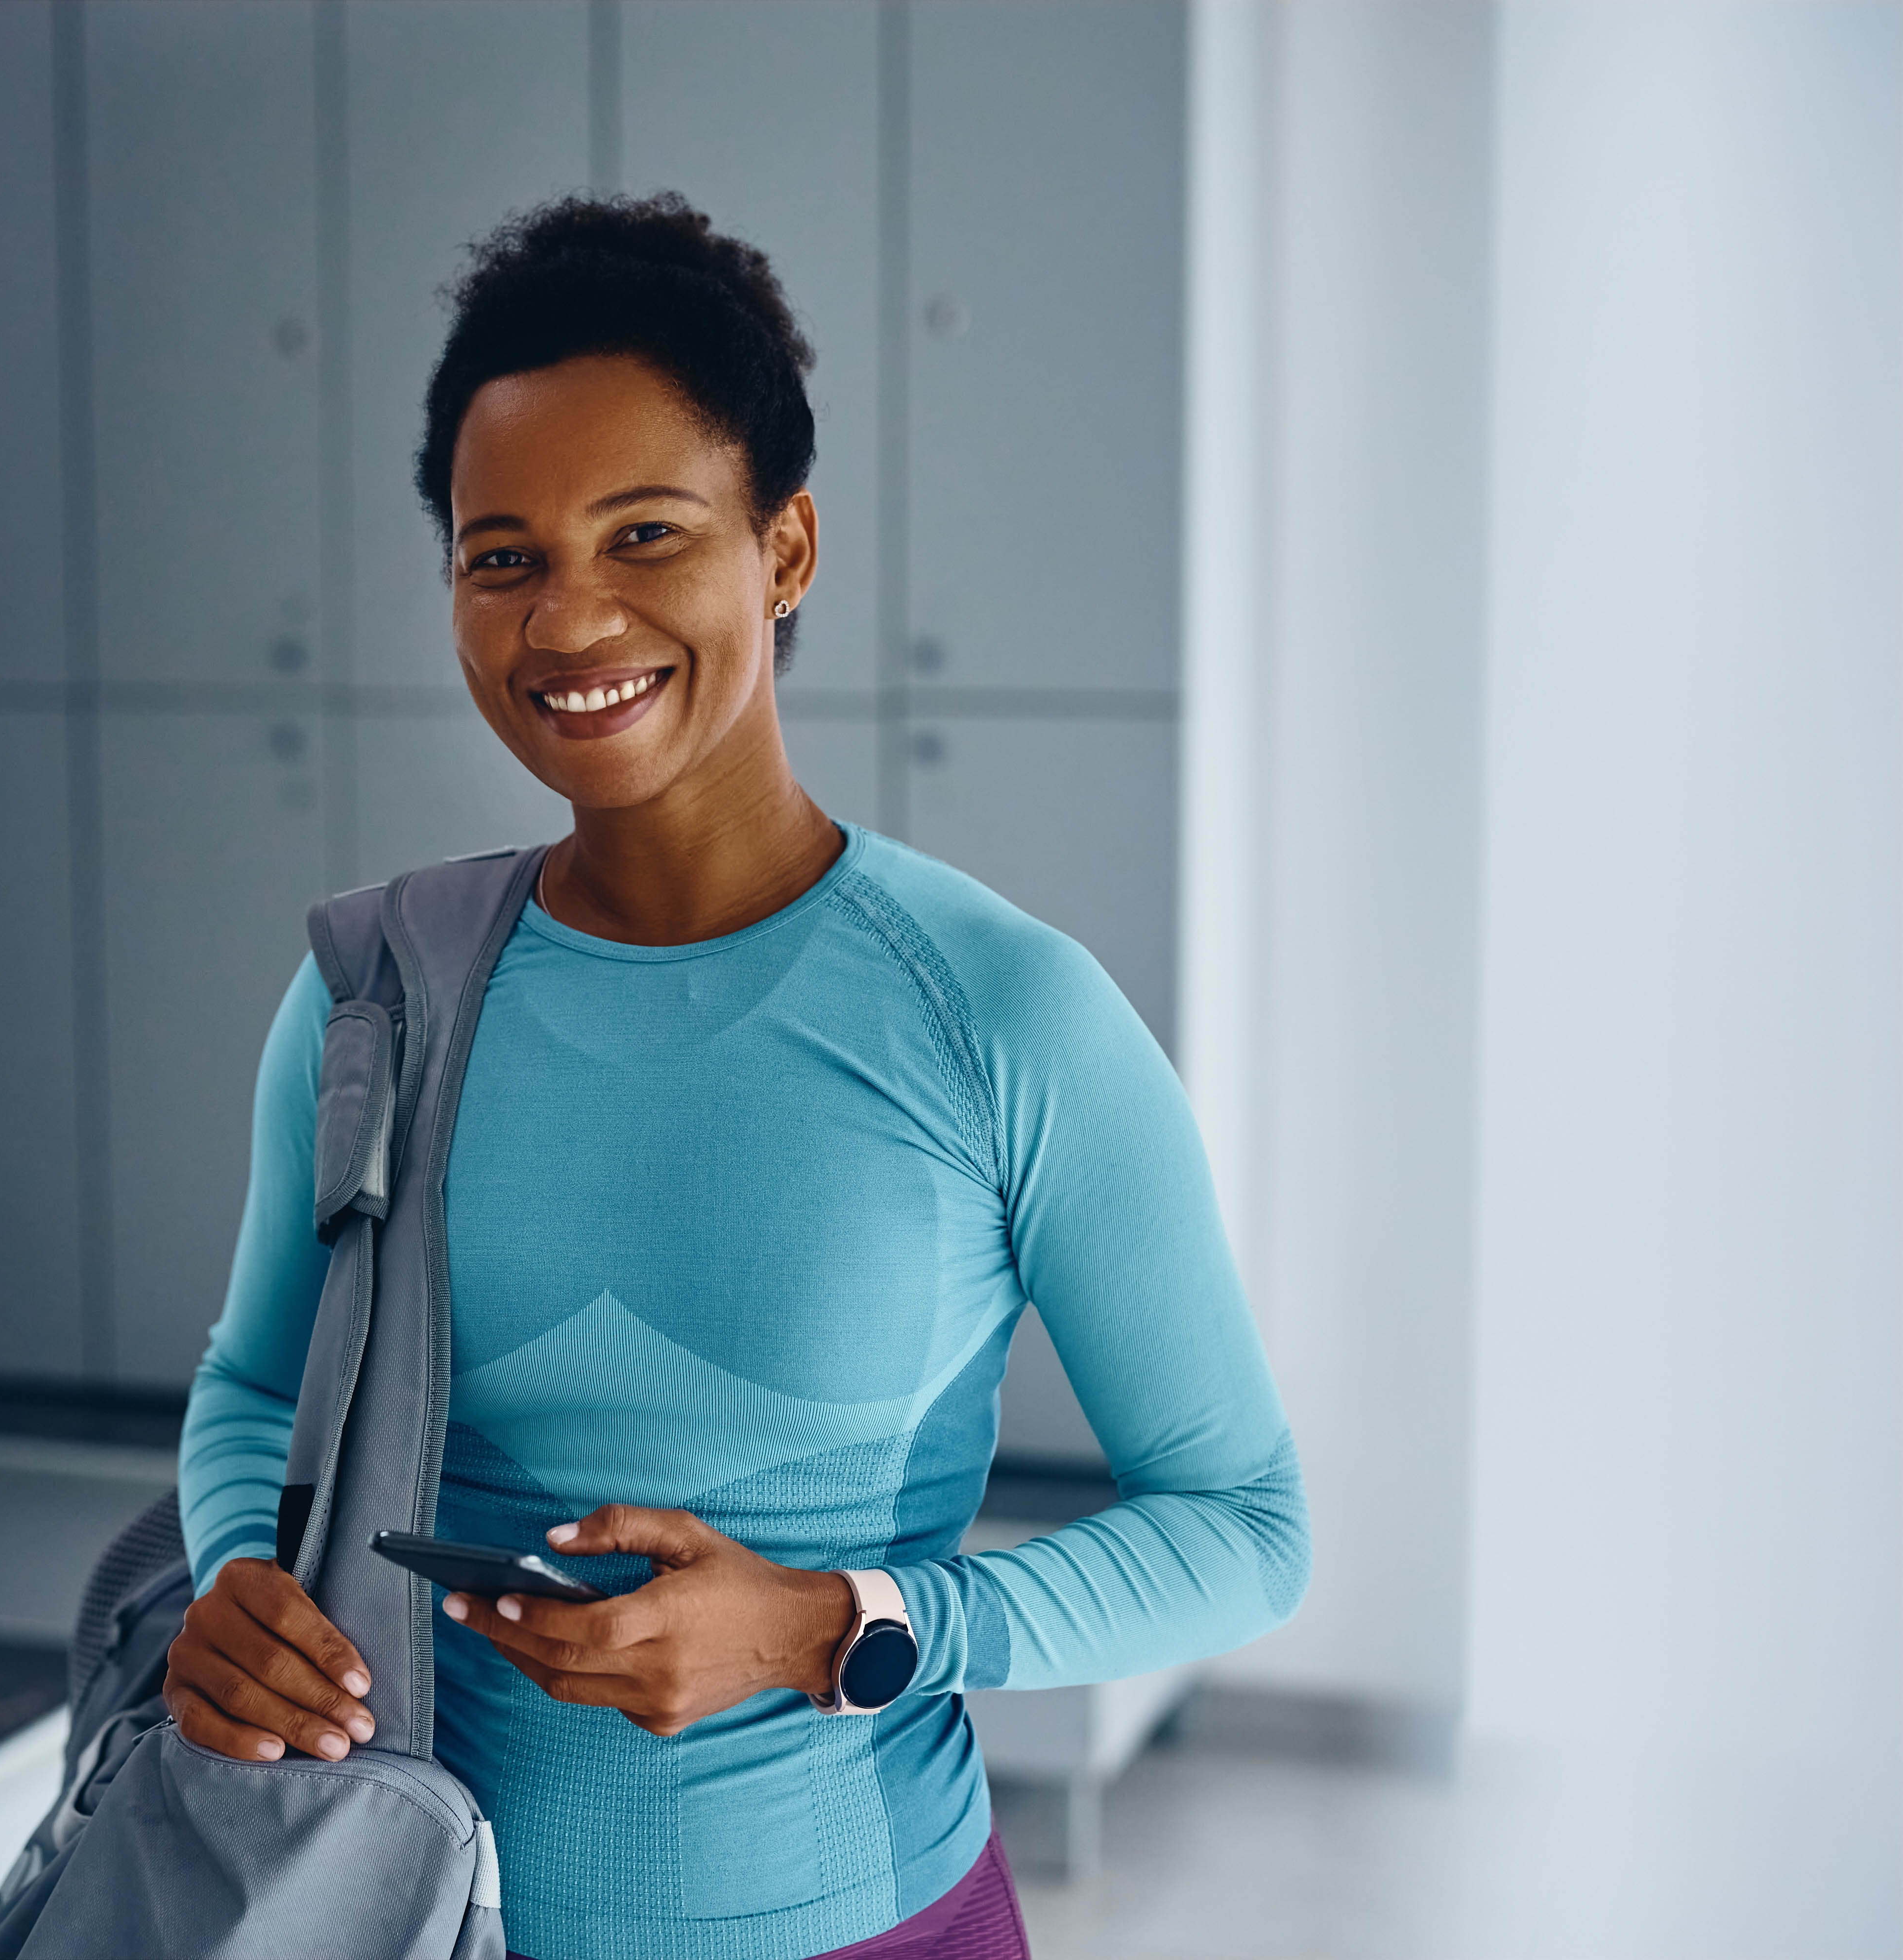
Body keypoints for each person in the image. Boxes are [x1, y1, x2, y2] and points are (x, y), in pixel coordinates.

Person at [167, 194, 1308, 1960]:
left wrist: (832, 1625)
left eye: (647, 534)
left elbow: (1244, 1529)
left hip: (865, 1925)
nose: (569, 622)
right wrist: (244, 1570)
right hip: (411, 1923)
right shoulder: (376, 1000)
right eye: (504, 556)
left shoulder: (1004, 1015)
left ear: (783, 552)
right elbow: (253, 1385)